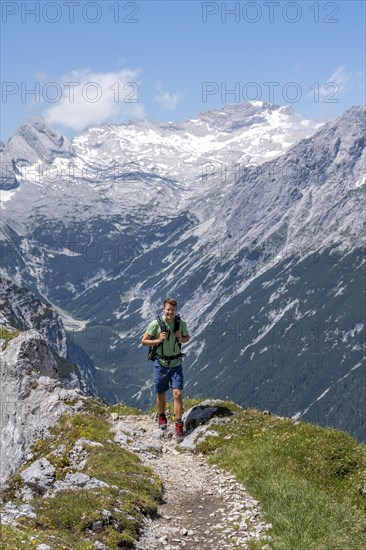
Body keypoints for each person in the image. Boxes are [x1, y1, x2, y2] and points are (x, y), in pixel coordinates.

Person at [141, 297, 190, 441]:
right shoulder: (156, 324)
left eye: (172, 310)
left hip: (176, 363)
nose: (170, 312)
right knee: (161, 393)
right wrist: (157, 340)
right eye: (168, 309)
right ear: (164, 309)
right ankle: (162, 417)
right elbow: (143, 341)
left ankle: (179, 424)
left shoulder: (180, 323)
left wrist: (181, 338)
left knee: (177, 393)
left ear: (176, 310)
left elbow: (187, 338)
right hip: (161, 363)